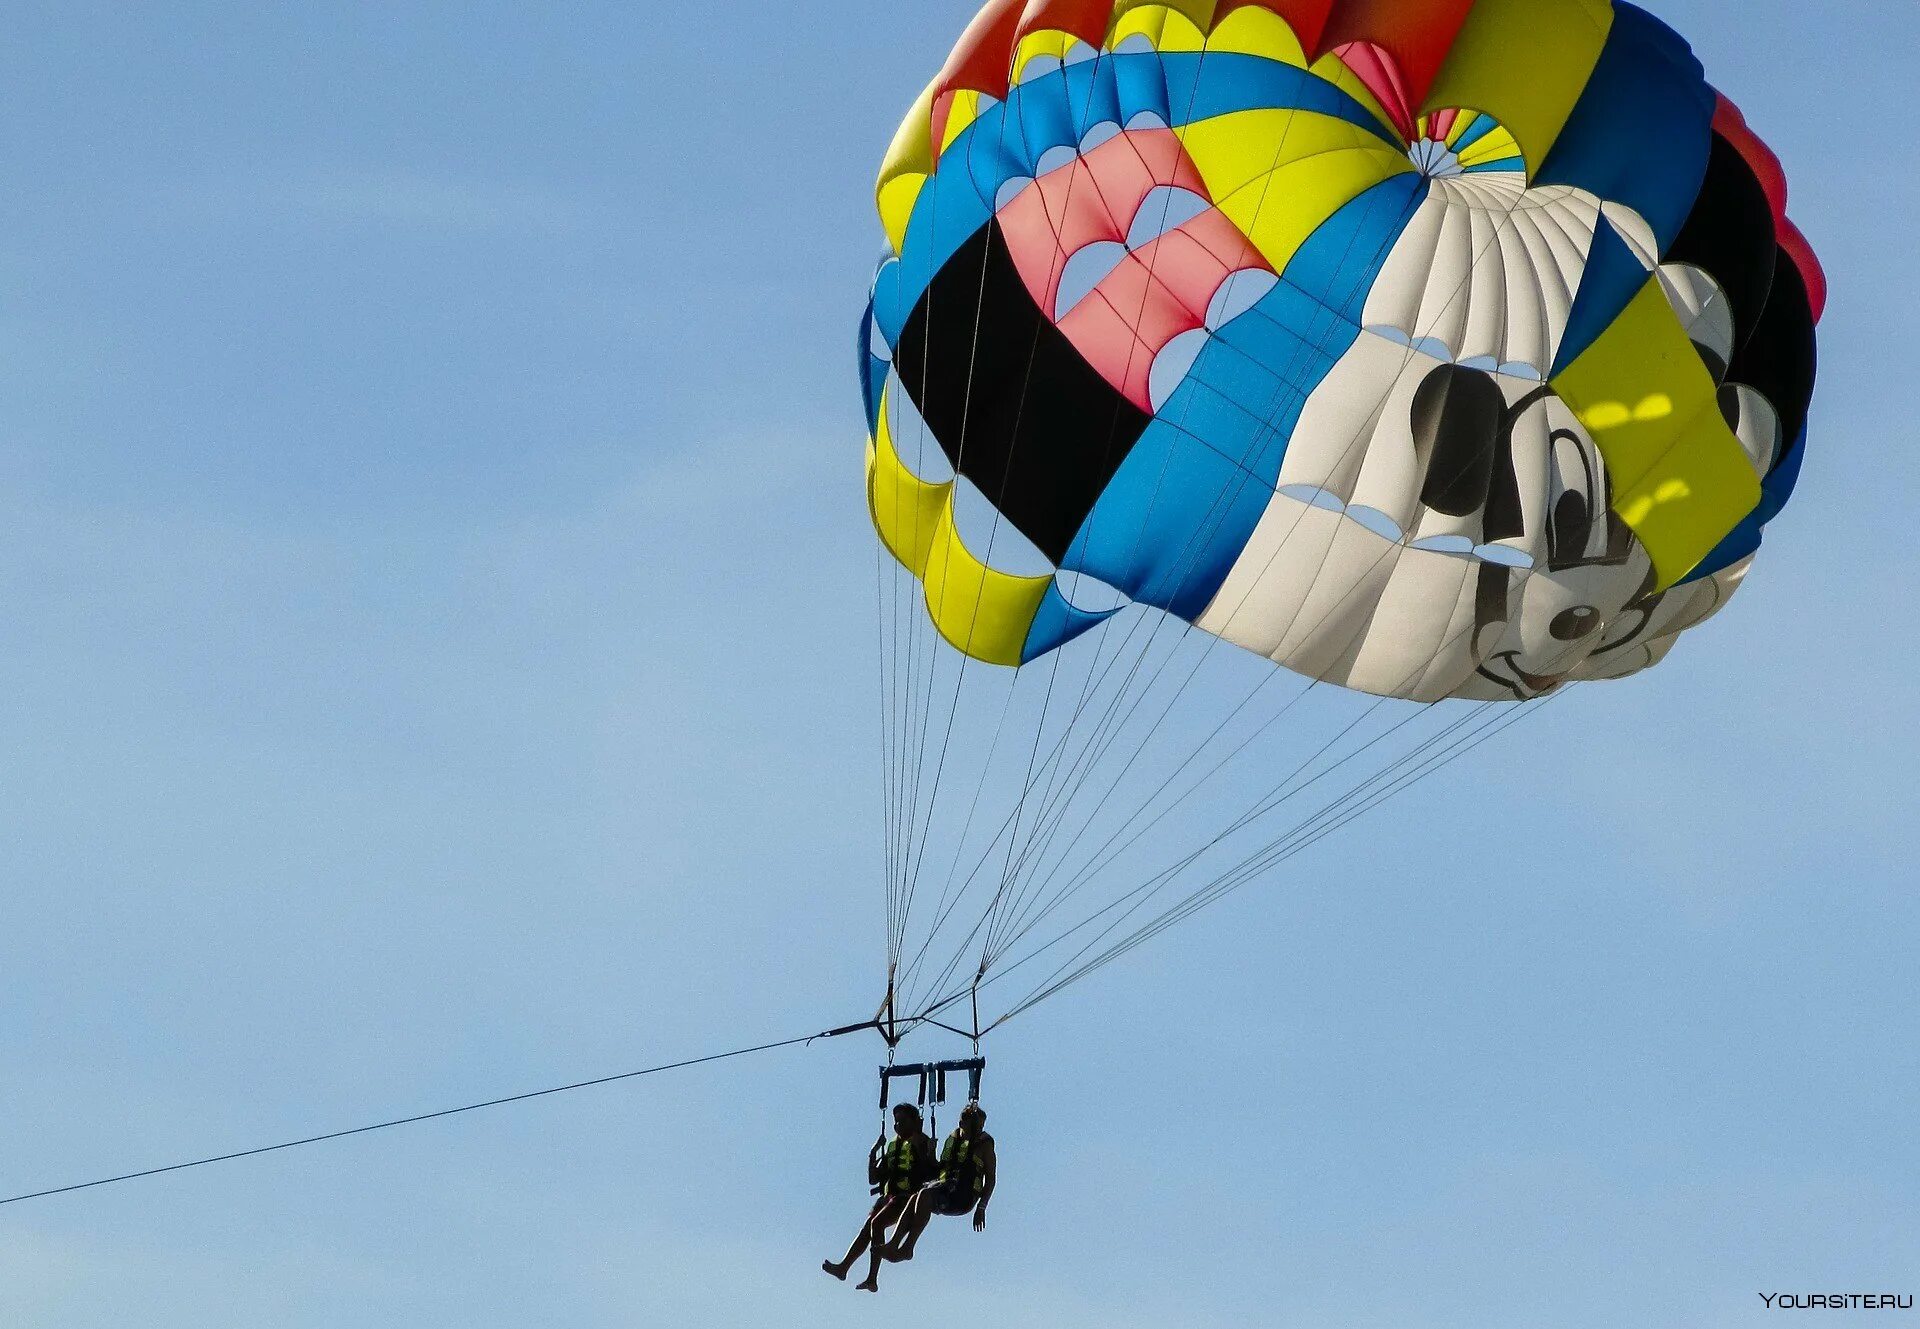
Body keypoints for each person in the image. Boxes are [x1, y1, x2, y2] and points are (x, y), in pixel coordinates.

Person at [823, 1103, 934, 1292]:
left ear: (915, 1122)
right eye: (896, 1122)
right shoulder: (893, 1145)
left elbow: (929, 1172)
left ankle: (872, 1277)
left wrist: (927, 1152)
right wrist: (873, 1153)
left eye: (903, 1121)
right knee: (867, 1228)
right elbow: (873, 1178)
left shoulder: (922, 1142)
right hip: (889, 1196)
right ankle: (844, 1268)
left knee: (876, 1224)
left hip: (907, 1198)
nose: (898, 1126)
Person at [884, 1102, 995, 1264]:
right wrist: (930, 1154)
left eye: (980, 1127)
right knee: (915, 1198)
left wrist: (981, 1207)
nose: (978, 1131)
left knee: (924, 1195)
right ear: (962, 1125)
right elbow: (939, 1168)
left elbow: (990, 1179)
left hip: (964, 1196)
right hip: (946, 1189)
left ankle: (907, 1248)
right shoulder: (954, 1139)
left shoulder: (984, 1145)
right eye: (975, 1127)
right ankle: (894, 1244)